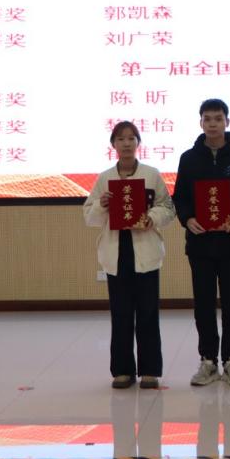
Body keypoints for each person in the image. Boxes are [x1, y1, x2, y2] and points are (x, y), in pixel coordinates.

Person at [83, 121, 175, 389]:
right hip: (116, 253)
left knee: (148, 313)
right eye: (121, 139)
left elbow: (168, 208)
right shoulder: (104, 178)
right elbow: (89, 217)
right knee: (121, 314)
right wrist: (101, 205)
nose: (126, 143)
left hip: (146, 251)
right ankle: (122, 371)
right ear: (113, 144)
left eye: (131, 138)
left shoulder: (151, 175)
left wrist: (151, 218)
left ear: (138, 143)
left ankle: (150, 371)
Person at [173, 99, 230, 387]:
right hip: (200, 244)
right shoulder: (189, 158)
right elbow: (180, 197)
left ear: (227, 122)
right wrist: (188, 219)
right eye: (207, 119)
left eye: (218, 118)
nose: (212, 124)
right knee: (204, 304)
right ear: (201, 123)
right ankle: (208, 360)